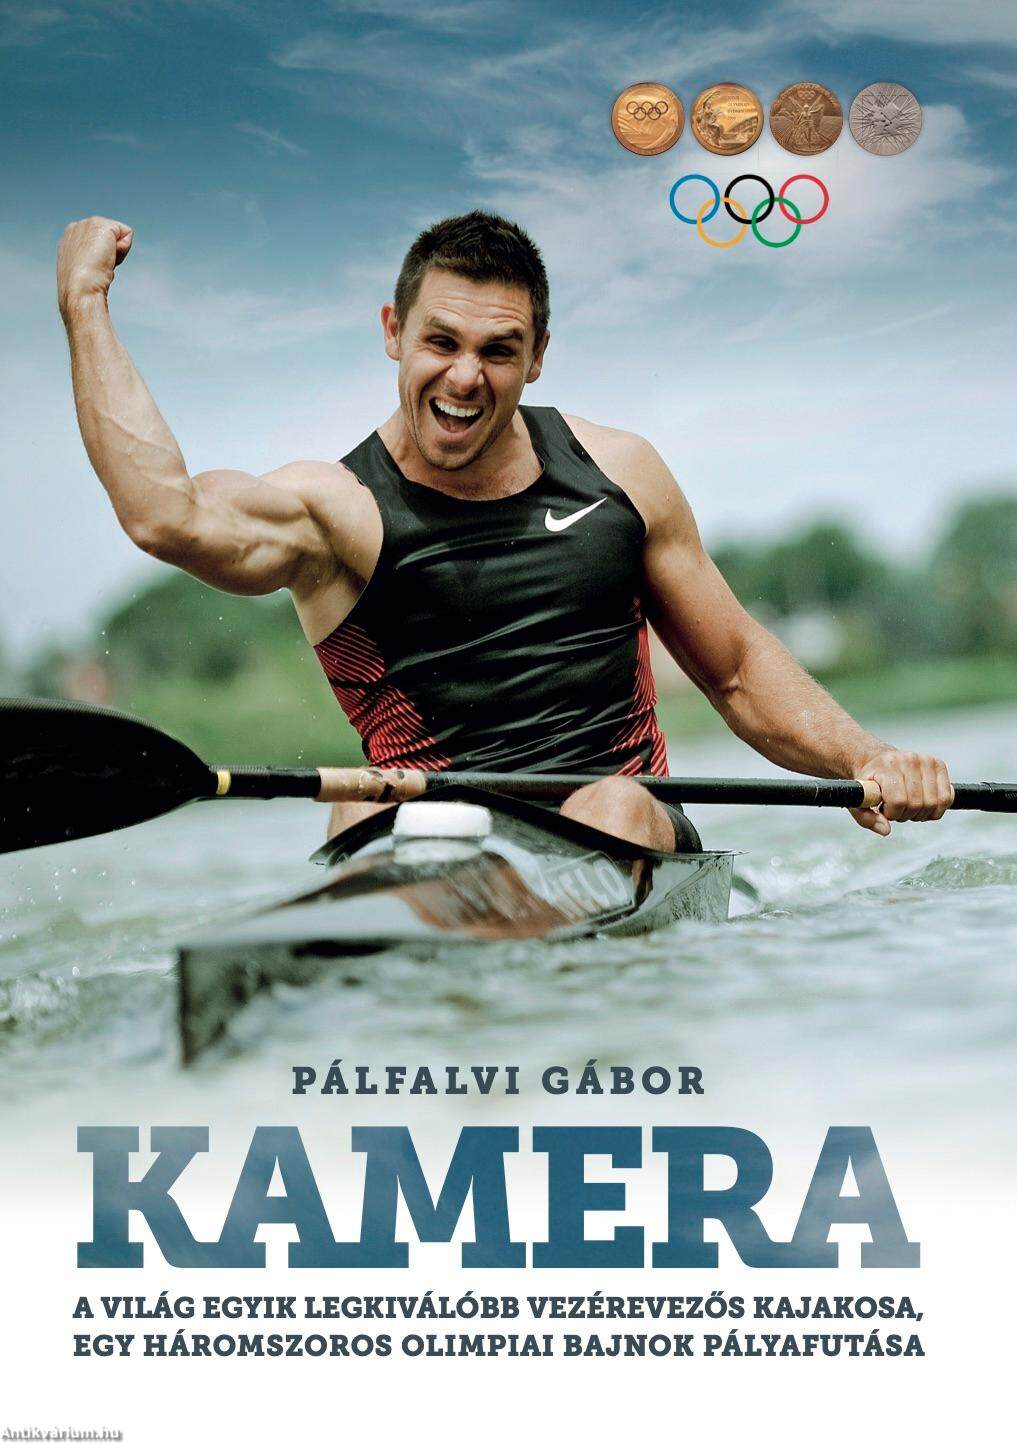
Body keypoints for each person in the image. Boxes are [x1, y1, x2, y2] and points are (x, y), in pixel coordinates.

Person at [56, 209, 954, 849]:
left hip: (626, 828)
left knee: (611, 806)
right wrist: (85, 304)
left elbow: (735, 668)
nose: (464, 377)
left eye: (498, 351)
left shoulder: (619, 473)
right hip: (434, 837)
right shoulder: (333, 509)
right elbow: (166, 515)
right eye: (440, 342)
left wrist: (866, 756)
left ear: (538, 356)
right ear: (393, 332)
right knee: (358, 807)